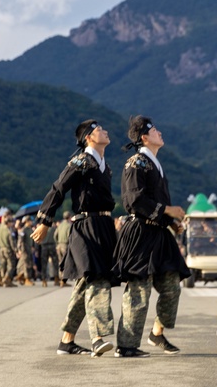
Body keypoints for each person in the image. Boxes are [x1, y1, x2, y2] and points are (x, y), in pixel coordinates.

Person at [31, 119, 120, 358]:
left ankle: (66, 341)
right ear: (88, 137)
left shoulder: (105, 165)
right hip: (85, 226)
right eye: (100, 129)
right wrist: (45, 221)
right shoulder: (80, 161)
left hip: (104, 226)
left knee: (84, 286)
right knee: (97, 280)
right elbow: (58, 189)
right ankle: (98, 338)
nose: (106, 130)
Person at [113, 115, 191, 358]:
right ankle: (126, 346)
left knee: (172, 288)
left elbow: (157, 203)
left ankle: (156, 332)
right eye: (155, 130)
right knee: (139, 293)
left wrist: (171, 222)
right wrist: (167, 211)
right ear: (145, 137)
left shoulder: (154, 163)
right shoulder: (135, 163)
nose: (160, 132)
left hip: (158, 232)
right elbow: (133, 200)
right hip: (140, 234)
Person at [0, 214, 18, 288]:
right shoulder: (8, 231)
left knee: (2, 265)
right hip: (8, 250)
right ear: (9, 223)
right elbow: (11, 242)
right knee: (11, 265)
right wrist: (16, 250)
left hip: (1, 249)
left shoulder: (0, 230)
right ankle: (6, 279)